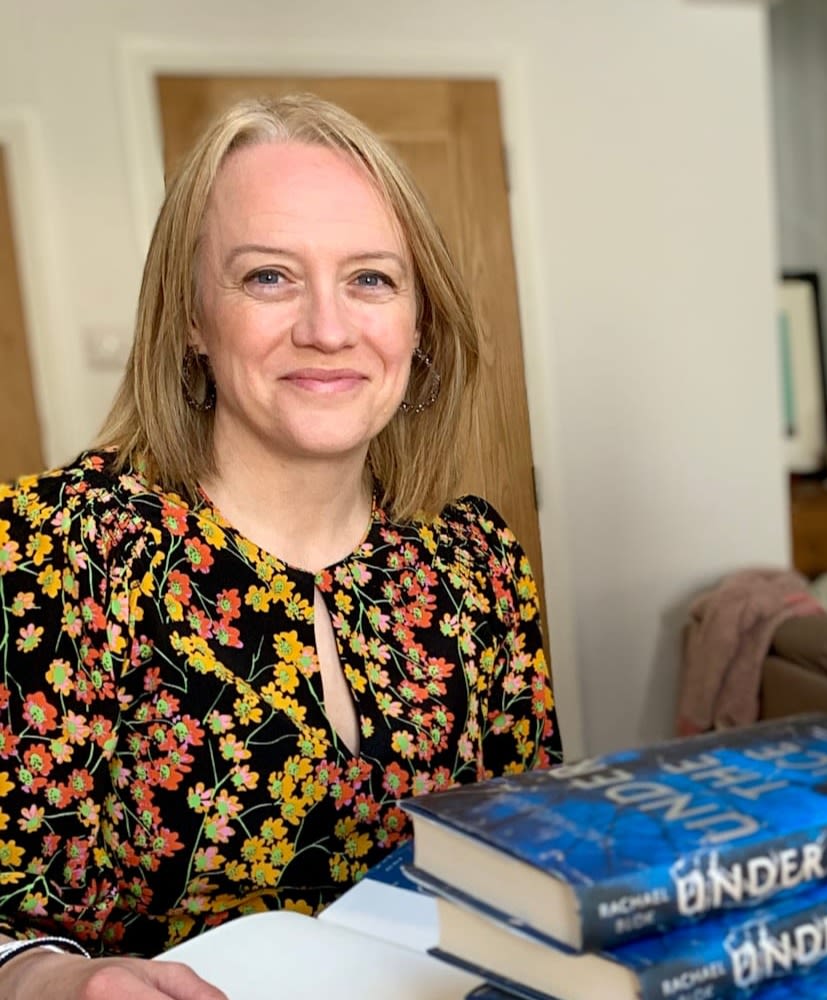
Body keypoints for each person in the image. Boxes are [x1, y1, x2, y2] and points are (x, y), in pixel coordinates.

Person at [0, 95, 561, 998]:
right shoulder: (57, 550)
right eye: (269, 277)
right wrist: (52, 985)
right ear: (190, 316)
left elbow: (537, 857)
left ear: (419, 324)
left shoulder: (476, 564)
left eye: (372, 279)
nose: (328, 328)